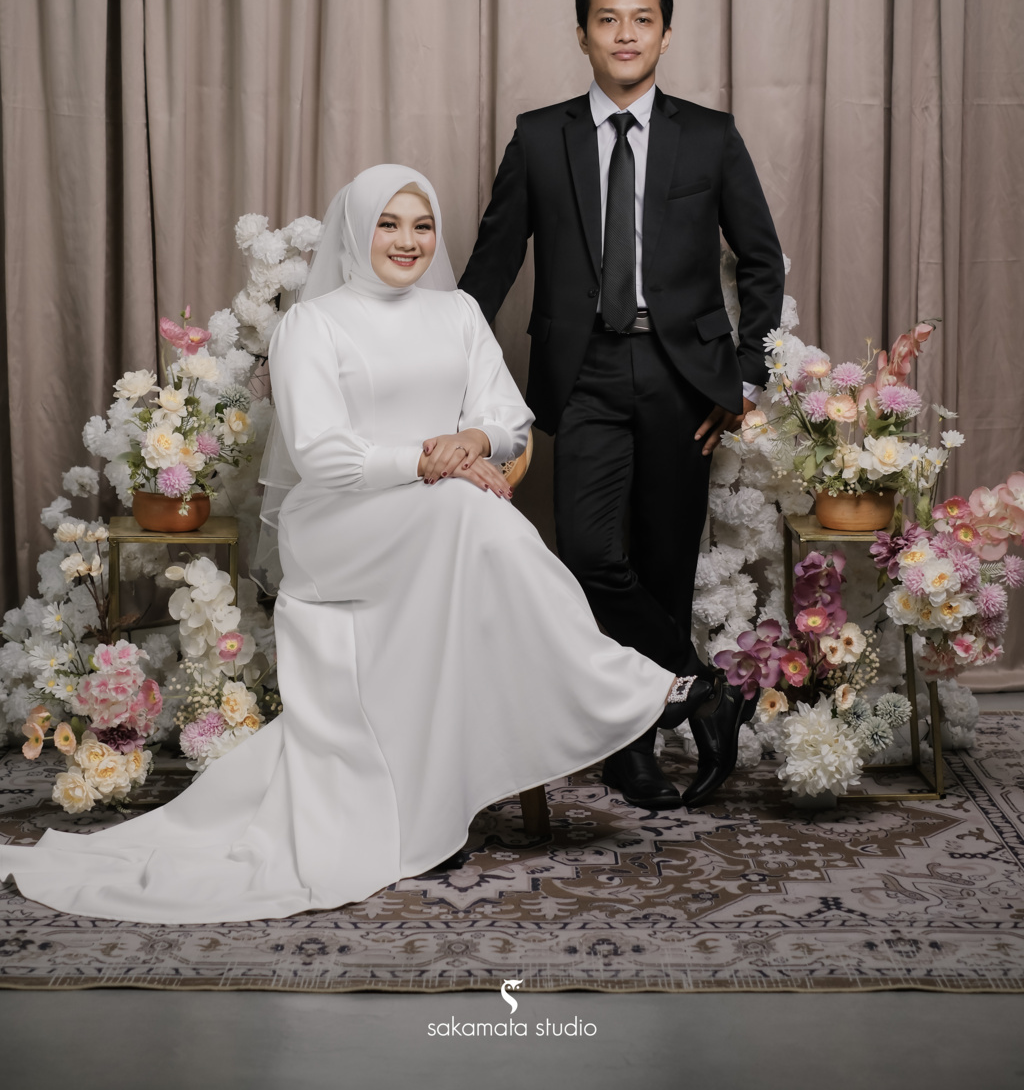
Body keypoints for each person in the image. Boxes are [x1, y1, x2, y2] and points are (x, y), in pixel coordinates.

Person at [1, 165, 713, 924]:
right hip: (340, 524)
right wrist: (428, 461)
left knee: (475, 517)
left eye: (422, 226)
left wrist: (473, 439)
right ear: (356, 230)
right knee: (473, 513)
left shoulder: (459, 312)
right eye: (388, 224)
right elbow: (320, 454)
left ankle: (537, 744)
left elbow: (509, 415)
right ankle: (634, 691)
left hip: (440, 515)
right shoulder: (314, 325)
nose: (408, 241)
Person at [460, 0, 785, 811]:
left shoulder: (709, 136)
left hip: (685, 379)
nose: (626, 33)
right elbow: (491, 267)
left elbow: (761, 259)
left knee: (664, 565)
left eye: (643, 18)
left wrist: (745, 377)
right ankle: (705, 690)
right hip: (585, 374)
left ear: (665, 35)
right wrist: (441, 361)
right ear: (583, 35)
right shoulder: (540, 137)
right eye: (608, 19)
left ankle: (631, 753)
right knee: (591, 557)